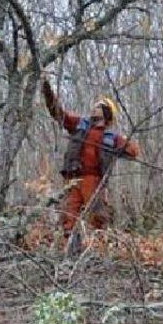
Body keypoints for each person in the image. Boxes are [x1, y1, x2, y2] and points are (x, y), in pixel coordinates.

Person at [41, 78, 140, 250]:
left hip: (93, 180)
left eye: (99, 106)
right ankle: (70, 250)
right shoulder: (79, 124)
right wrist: (48, 93)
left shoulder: (112, 138)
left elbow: (133, 152)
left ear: (107, 112)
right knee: (68, 214)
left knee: (98, 216)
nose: (94, 107)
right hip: (73, 178)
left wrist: (122, 145)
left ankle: (100, 249)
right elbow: (58, 113)